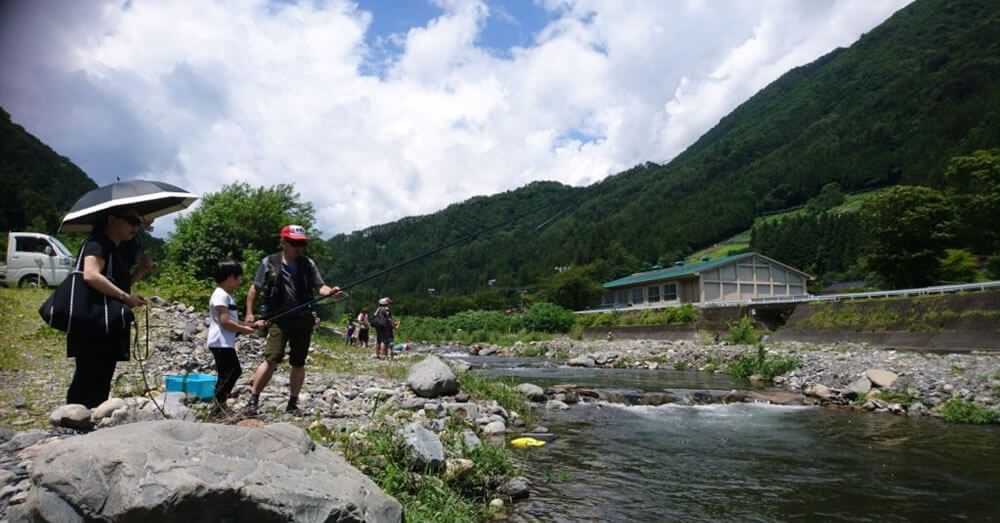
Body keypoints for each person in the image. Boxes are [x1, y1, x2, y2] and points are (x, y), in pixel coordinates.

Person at [244, 225, 341, 414]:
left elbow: (319, 286)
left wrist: (331, 292)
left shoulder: (308, 264)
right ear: (283, 243)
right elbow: (255, 289)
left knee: (298, 362)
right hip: (278, 320)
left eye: (302, 243)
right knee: (272, 358)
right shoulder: (269, 262)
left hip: (303, 319)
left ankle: (293, 403)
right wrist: (249, 313)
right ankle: (253, 399)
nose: (299, 247)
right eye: (295, 243)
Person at [66, 207, 149, 408]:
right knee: (89, 374)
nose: (136, 227)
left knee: (102, 375)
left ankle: (91, 420)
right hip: (93, 321)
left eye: (138, 223)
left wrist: (141, 271)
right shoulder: (97, 243)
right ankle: (75, 420)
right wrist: (124, 296)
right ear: (112, 220)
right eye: (131, 221)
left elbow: (119, 284)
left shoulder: (114, 248)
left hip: (105, 321)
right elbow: (91, 275)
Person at [207, 260, 265, 416]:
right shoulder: (220, 295)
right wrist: (244, 330)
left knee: (229, 372)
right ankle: (218, 406)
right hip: (220, 341)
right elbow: (225, 322)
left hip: (224, 342)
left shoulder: (226, 295)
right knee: (232, 371)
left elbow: (232, 320)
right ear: (230, 277)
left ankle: (219, 405)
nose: (241, 280)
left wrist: (251, 325)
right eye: (239, 277)